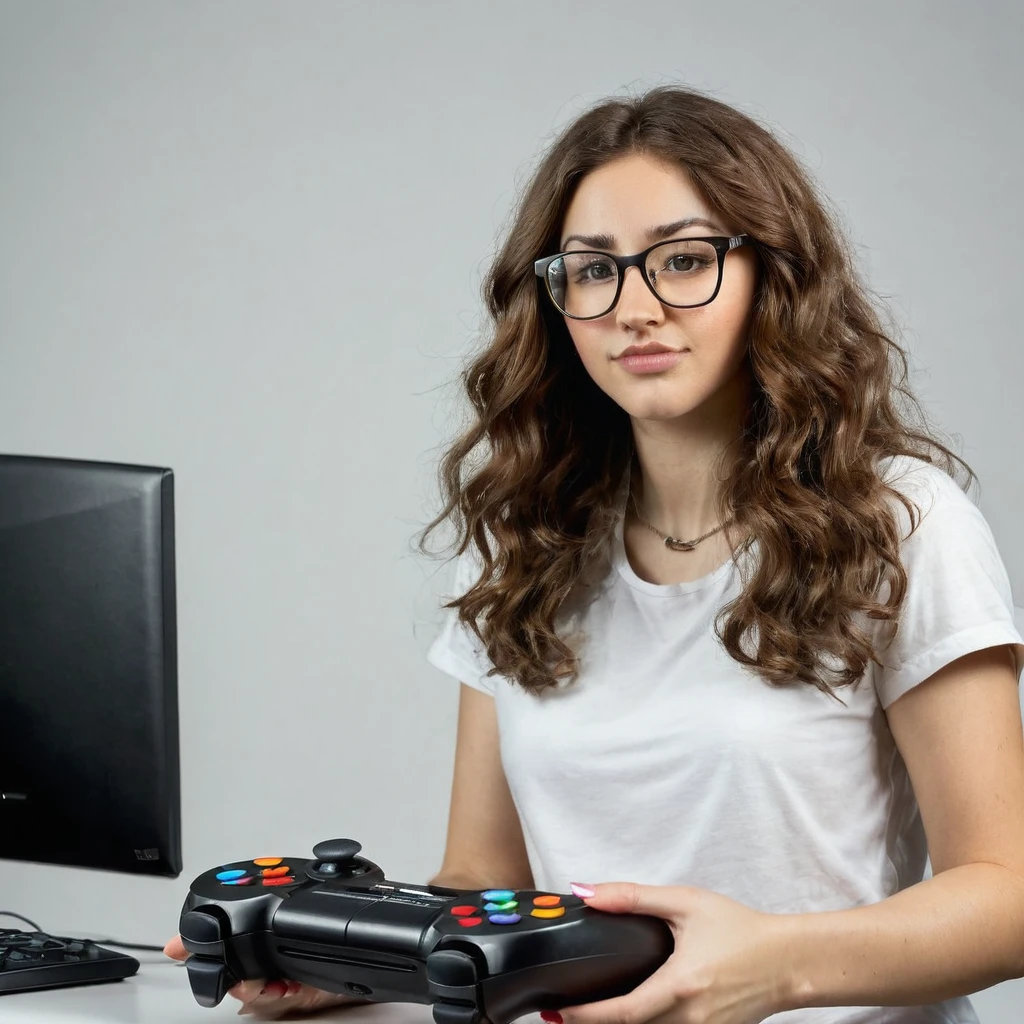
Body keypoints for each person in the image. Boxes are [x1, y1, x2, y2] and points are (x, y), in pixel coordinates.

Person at [166, 86, 1024, 1022]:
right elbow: (482, 881)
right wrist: (353, 967)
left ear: (772, 274)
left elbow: (1009, 897)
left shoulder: (900, 522)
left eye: (686, 260)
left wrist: (775, 965)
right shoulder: (522, 537)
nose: (635, 308)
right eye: (592, 271)